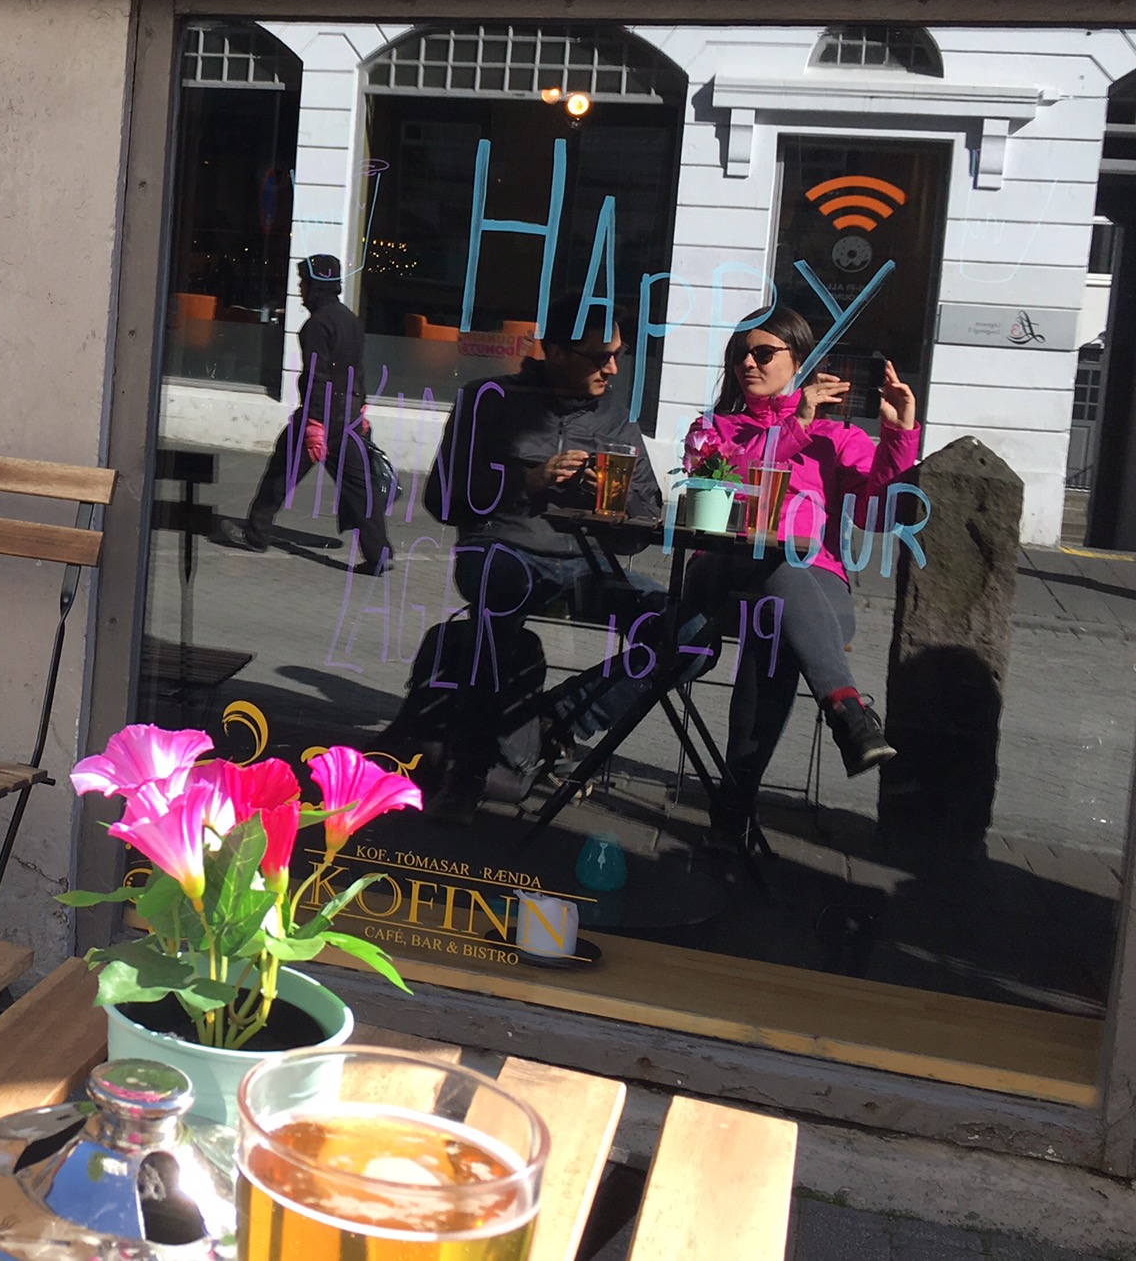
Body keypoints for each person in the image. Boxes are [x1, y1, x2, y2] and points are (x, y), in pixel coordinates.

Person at [682, 306, 918, 842]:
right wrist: (797, 426)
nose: (748, 363)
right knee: (780, 570)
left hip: (807, 587)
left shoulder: (837, 436)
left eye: (763, 353)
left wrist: (898, 435)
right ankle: (848, 712)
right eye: (740, 354)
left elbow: (878, 516)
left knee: (776, 622)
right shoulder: (714, 429)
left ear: (800, 360)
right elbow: (728, 483)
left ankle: (734, 808)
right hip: (723, 571)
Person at [419, 293, 667, 804]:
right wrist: (526, 482)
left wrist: (614, 504)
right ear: (554, 352)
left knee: (688, 633)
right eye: (600, 357)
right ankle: (468, 769)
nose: (613, 369)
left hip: (586, 565)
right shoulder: (488, 399)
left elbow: (645, 523)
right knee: (501, 592)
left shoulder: (616, 421)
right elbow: (442, 499)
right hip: (503, 549)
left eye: (618, 355)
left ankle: (559, 720)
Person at [214, 253, 393, 575]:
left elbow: (317, 377)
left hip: (321, 417)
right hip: (349, 418)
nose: (300, 288)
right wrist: (361, 410)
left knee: (279, 475)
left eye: (303, 282)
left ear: (316, 286)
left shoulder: (317, 325)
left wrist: (314, 425)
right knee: (360, 489)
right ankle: (378, 553)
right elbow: (357, 372)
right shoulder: (351, 320)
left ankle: (256, 534)